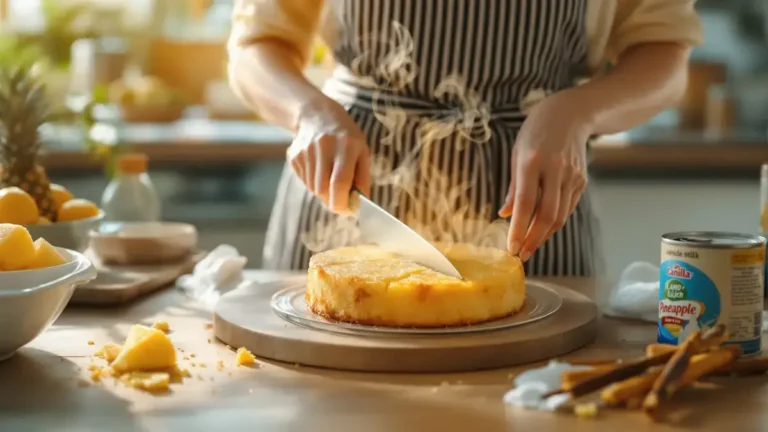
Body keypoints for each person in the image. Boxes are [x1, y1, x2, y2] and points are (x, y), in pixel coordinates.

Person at [228, 0, 702, 276]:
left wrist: (577, 113)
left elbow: (664, 55)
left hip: (533, 198)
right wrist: (309, 112)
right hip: (352, 180)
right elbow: (255, 44)